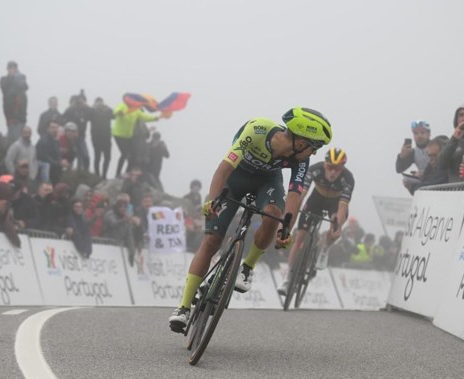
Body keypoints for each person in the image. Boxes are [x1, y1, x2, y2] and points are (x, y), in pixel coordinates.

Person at [169, 107, 333, 332]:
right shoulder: (257, 129)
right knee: (211, 242)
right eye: (314, 148)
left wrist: (286, 229)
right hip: (235, 179)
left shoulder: (300, 161)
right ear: (301, 142)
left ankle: (247, 268)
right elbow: (225, 168)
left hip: (267, 183)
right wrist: (212, 201)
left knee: (275, 214)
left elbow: (295, 195)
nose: (313, 154)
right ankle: (183, 308)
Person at [276, 147, 354, 295]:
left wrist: (337, 227)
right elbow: (301, 196)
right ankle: (288, 278)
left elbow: (343, 206)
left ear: (342, 168)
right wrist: (289, 221)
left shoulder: (348, 179)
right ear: (325, 165)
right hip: (315, 200)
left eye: (337, 169)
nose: (332, 172)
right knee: (299, 237)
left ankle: (325, 248)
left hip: (335, 204)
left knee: (336, 223)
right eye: (330, 167)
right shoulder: (315, 169)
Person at [112, 99, 164, 177]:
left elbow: (145, 117)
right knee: (125, 154)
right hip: (119, 134)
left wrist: (156, 118)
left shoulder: (137, 111)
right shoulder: (123, 105)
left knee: (132, 157)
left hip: (128, 136)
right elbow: (116, 111)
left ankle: (127, 173)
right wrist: (119, 112)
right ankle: (118, 174)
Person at [438, 104, 464, 183]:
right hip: (456, 191)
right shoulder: (450, 142)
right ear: (456, 120)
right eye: (461, 115)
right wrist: (454, 139)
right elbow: (441, 165)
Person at [0, 61, 28, 142]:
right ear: (7, 69)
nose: (13, 70)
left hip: (21, 112)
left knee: (22, 136)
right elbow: (4, 88)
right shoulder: (4, 79)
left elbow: (25, 87)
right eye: (11, 68)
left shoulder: (21, 78)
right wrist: (12, 78)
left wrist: (20, 78)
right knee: (14, 137)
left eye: (14, 68)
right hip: (11, 113)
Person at [90, 97, 113, 179]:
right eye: (98, 102)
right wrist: (93, 107)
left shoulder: (108, 110)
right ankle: (97, 175)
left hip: (107, 137)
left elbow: (114, 116)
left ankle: (104, 175)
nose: (100, 104)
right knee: (97, 157)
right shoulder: (92, 111)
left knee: (108, 157)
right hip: (96, 138)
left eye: (101, 102)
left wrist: (107, 107)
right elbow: (87, 113)